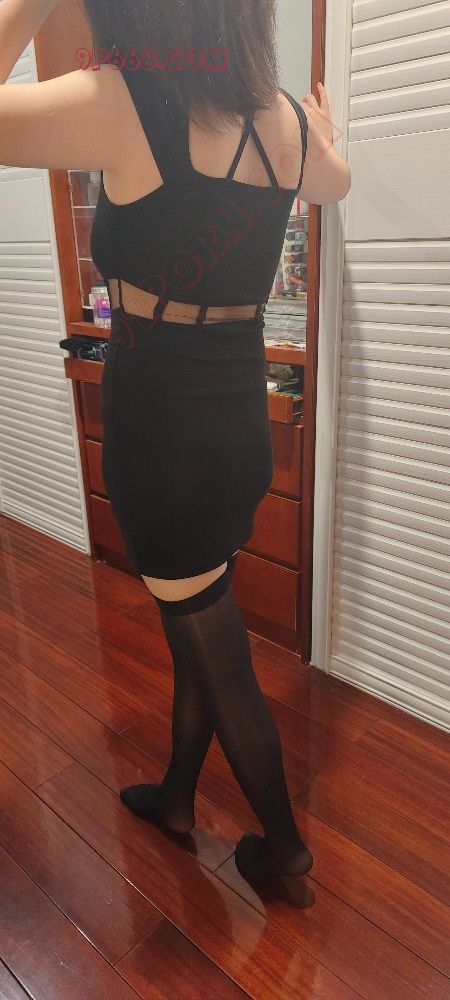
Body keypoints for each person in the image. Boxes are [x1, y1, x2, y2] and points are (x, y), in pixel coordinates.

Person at [0, 0, 351, 892]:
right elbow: (336, 184)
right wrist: (323, 132)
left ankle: (283, 848)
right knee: (198, 614)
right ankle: (178, 797)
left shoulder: (126, 99)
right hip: (238, 428)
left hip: (164, 439)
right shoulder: (282, 117)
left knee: (217, 650)